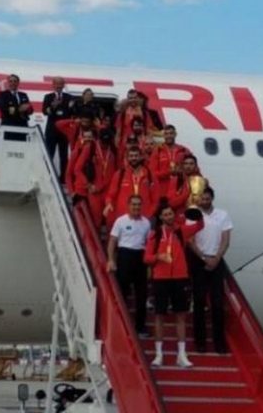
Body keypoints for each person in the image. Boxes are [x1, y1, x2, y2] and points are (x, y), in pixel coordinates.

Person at [144, 204, 205, 368]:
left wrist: (196, 214)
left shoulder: (181, 231)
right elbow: (147, 258)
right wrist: (159, 256)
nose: (169, 216)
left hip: (180, 277)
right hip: (160, 278)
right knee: (159, 315)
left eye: (171, 214)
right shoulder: (155, 235)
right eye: (166, 214)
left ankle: (181, 355)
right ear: (161, 217)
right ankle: (158, 354)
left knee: (181, 315)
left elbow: (200, 226)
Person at [188, 187, 232, 353]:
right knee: (199, 302)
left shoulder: (223, 215)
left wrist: (216, 258)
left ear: (212, 198)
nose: (204, 201)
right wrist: (204, 258)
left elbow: (226, 240)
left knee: (217, 303)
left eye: (207, 198)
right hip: (199, 260)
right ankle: (200, 342)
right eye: (202, 199)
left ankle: (219, 343)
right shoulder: (192, 215)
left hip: (216, 259)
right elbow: (191, 241)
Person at [107, 195, 151, 336]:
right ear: (128, 205)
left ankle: (140, 327)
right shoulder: (120, 221)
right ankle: (122, 327)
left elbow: (149, 244)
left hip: (140, 258)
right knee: (122, 294)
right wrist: (111, 260)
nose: (136, 207)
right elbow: (112, 242)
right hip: (125, 256)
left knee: (141, 295)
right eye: (134, 204)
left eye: (139, 204)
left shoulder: (146, 223)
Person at [103, 147, 159, 228]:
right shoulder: (120, 174)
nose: (134, 158)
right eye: (131, 156)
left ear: (141, 157)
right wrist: (108, 204)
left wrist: (149, 214)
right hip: (125, 218)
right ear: (127, 158)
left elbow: (156, 199)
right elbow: (111, 194)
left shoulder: (150, 175)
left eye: (136, 156)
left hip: (144, 218)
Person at [42, 77, 74, 181]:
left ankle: (63, 177)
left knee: (63, 155)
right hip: (52, 130)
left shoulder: (70, 97)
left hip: (64, 131)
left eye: (61, 84)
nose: (59, 86)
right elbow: (45, 112)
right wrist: (52, 106)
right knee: (49, 153)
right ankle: (47, 175)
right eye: (57, 84)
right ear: (53, 85)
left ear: (63, 85)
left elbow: (72, 112)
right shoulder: (48, 97)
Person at [149, 124, 190, 197]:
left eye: (171, 133)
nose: (169, 136)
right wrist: (169, 172)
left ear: (175, 134)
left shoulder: (184, 150)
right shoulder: (157, 151)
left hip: (180, 190)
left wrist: (181, 173)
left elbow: (193, 169)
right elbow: (152, 174)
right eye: (166, 134)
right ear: (163, 135)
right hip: (162, 192)